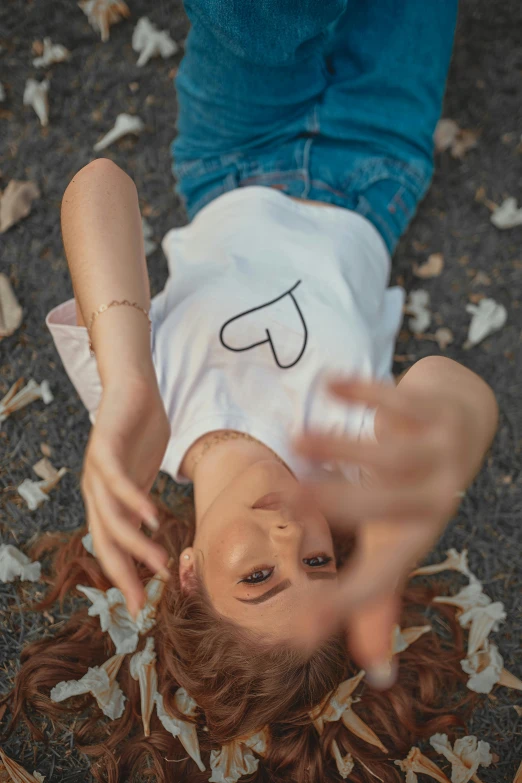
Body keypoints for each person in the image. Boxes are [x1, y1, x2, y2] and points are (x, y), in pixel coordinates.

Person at [3, 1, 498, 781]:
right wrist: (423, 490)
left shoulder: (140, 424)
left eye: (260, 577)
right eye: (320, 562)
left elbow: (98, 185)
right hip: (380, 159)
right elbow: (455, 391)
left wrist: (130, 373)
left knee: (270, 15)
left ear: (191, 571)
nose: (288, 538)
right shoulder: (348, 476)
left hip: (236, 147)